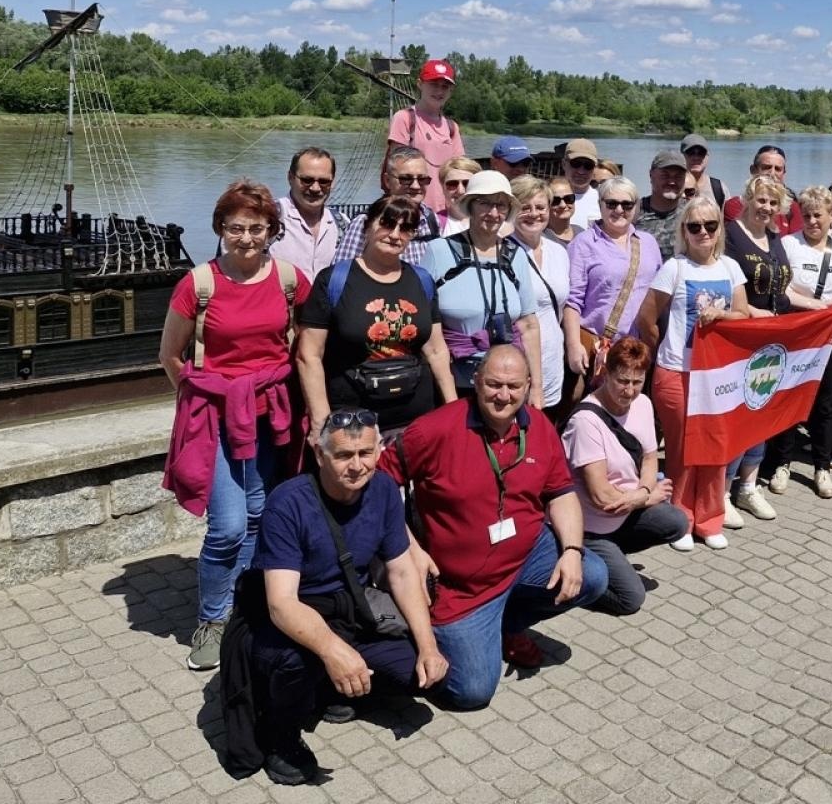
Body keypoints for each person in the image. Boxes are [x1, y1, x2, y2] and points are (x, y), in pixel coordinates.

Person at [378, 347, 609, 707]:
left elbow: (561, 492)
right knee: (471, 692)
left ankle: (506, 625)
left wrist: (573, 552)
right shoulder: (433, 430)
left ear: (528, 385)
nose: (504, 395)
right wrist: (409, 548)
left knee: (592, 575)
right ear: (475, 381)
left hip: (525, 553)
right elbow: (378, 484)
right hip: (461, 587)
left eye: (514, 386)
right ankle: (432, 639)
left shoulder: (539, 426)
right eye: (494, 384)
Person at [241, 411, 447, 784]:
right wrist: (335, 652)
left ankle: (336, 690)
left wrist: (429, 645)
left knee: (421, 676)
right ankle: (281, 735)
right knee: (295, 665)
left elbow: (401, 572)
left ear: (379, 450)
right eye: (343, 455)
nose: (357, 466)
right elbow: (281, 603)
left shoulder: (384, 490)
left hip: (351, 603)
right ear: (320, 455)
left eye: (365, 453)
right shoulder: (287, 503)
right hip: (298, 614)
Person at [160, 181, 311, 672]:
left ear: (272, 230)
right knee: (226, 526)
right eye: (236, 228)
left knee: (258, 514)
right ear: (221, 229)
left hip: (273, 414)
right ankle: (210, 620)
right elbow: (169, 356)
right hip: (217, 417)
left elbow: (310, 344)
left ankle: (243, 606)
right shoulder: (199, 284)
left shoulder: (289, 278)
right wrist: (202, 397)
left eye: (256, 227)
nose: (246, 237)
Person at [636, 196, 752, 549]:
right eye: (694, 226)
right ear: (684, 231)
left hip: (716, 376)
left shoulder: (730, 268)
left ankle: (710, 518)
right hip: (676, 370)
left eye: (710, 225)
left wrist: (721, 316)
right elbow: (647, 318)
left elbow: (744, 314)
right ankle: (680, 519)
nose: (703, 232)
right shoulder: (675, 267)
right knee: (683, 447)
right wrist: (665, 350)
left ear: (719, 230)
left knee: (715, 447)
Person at [297, 195, 456, 438]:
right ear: (367, 225)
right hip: (354, 418)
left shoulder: (421, 280)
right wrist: (321, 420)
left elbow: (436, 350)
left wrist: (452, 407)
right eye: (387, 223)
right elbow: (309, 354)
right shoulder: (333, 280)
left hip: (417, 416)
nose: (395, 234)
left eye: (406, 229)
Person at [562, 338, 690, 613]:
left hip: (626, 510)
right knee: (631, 599)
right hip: (592, 525)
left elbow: (649, 457)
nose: (629, 390)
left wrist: (643, 491)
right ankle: (581, 570)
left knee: (676, 521)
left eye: (637, 381)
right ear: (606, 374)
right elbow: (601, 495)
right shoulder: (585, 422)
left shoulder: (643, 403)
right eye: (622, 381)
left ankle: (612, 554)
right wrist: (646, 497)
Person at [420, 170, 545, 408]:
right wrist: (450, 401)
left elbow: (528, 325)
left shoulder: (515, 255)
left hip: (505, 385)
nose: (494, 213)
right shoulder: (438, 251)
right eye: (485, 203)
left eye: (501, 205)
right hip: (454, 382)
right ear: (470, 206)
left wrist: (536, 388)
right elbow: (427, 329)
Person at [780, 186, 832, 499]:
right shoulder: (788, 245)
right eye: (808, 214)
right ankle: (782, 462)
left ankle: (821, 467)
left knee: (824, 404)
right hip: (797, 335)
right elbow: (782, 290)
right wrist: (815, 308)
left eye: (820, 215)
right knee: (790, 398)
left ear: (831, 216)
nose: (813, 221)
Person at [726, 175, 796, 516]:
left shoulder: (774, 237)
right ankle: (722, 492)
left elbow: (784, 290)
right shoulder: (730, 235)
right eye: (761, 200)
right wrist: (752, 311)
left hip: (772, 340)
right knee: (739, 415)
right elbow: (722, 284)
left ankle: (748, 487)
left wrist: (825, 307)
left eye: (773, 202)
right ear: (748, 198)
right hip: (740, 339)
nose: (766, 207)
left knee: (762, 412)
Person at [564, 175, 664, 403]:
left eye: (627, 204)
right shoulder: (584, 243)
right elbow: (572, 301)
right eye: (611, 204)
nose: (619, 210)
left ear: (636, 207)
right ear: (600, 205)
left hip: (638, 351)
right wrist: (573, 344)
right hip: (599, 348)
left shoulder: (648, 242)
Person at [507, 175, 571, 413]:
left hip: (553, 357)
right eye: (525, 208)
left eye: (541, 207)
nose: (534, 214)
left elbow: (563, 306)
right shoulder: (502, 251)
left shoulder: (559, 252)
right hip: (517, 359)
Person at [334, 147, 441, 265]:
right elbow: (341, 273)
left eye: (422, 179)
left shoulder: (432, 220)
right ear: (387, 181)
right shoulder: (365, 221)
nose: (415, 186)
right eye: (406, 179)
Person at [386, 59, 465, 216]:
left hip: (444, 212)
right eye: (434, 84)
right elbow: (395, 169)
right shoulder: (404, 119)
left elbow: (460, 170)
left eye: (445, 86)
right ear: (420, 84)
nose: (439, 91)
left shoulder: (452, 128)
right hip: (410, 209)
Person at [268, 148, 340, 279]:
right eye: (307, 180)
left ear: (333, 182)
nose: (315, 188)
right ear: (290, 178)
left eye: (324, 182)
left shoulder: (342, 226)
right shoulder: (267, 218)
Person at [722, 145, 803, 235]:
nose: (772, 173)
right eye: (766, 167)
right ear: (753, 170)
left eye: (778, 169)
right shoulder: (735, 206)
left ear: (784, 174)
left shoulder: (792, 208)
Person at [637, 150, 688, 259]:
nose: (671, 182)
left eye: (678, 176)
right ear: (651, 175)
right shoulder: (633, 212)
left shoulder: (693, 213)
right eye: (665, 175)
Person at [436, 155, 482, 237]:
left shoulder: (492, 221)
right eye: (452, 184)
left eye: (467, 183)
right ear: (443, 187)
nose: (460, 191)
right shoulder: (433, 224)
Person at [564, 138, 603, 225]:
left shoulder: (603, 201)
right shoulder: (548, 197)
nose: (581, 171)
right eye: (576, 164)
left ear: (595, 168)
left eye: (588, 165)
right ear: (563, 164)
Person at [681, 134, 728, 207]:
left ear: (707, 157)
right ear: (681, 156)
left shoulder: (719, 188)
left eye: (701, 153)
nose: (696, 157)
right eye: (691, 153)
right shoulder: (672, 186)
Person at [548, 176, 580, 244]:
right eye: (555, 200)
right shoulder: (541, 238)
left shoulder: (581, 232)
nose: (563, 205)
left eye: (568, 198)